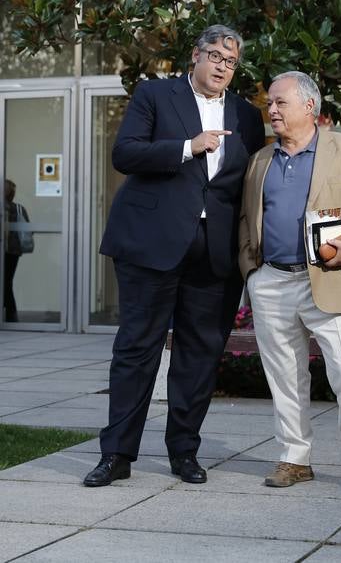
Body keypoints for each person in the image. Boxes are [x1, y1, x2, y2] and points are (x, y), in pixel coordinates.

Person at [83, 25, 265, 488]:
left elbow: (250, 183)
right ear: (195, 56)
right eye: (216, 56)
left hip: (215, 255)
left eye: (231, 60)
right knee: (136, 350)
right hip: (150, 244)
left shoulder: (247, 114)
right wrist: (189, 147)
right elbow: (124, 154)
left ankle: (184, 452)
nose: (223, 65)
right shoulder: (155, 95)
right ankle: (117, 455)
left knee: (199, 355)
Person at [239, 71, 341, 494]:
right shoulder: (260, 160)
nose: (271, 110)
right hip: (271, 280)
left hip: (329, 276)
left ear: (309, 106)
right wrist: (250, 269)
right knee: (284, 375)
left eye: (279, 102)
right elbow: (246, 218)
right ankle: (294, 458)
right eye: (269, 103)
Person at [3, 179, 30, 323]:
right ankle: (11, 315)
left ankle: (10, 315)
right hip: (13, 251)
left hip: (7, 250)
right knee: (7, 282)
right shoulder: (19, 208)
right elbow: (28, 230)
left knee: (5, 283)